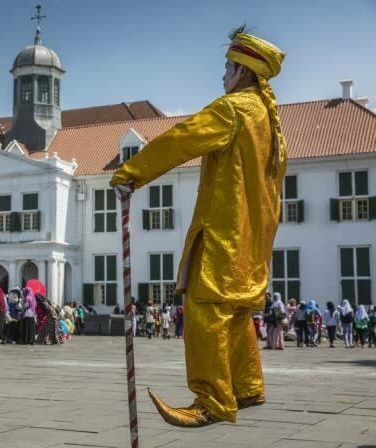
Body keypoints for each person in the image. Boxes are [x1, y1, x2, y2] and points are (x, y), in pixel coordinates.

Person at [111, 26, 286, 427]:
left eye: (227, 67)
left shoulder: (234, 109)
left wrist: (131, 172)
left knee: (205, 309)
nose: (222, 75)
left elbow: (183, 139)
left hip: (225, 233)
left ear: (242, 71)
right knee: (236, 311)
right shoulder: (269, 121)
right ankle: (245, 386)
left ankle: (212, 400)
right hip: (253, 241)